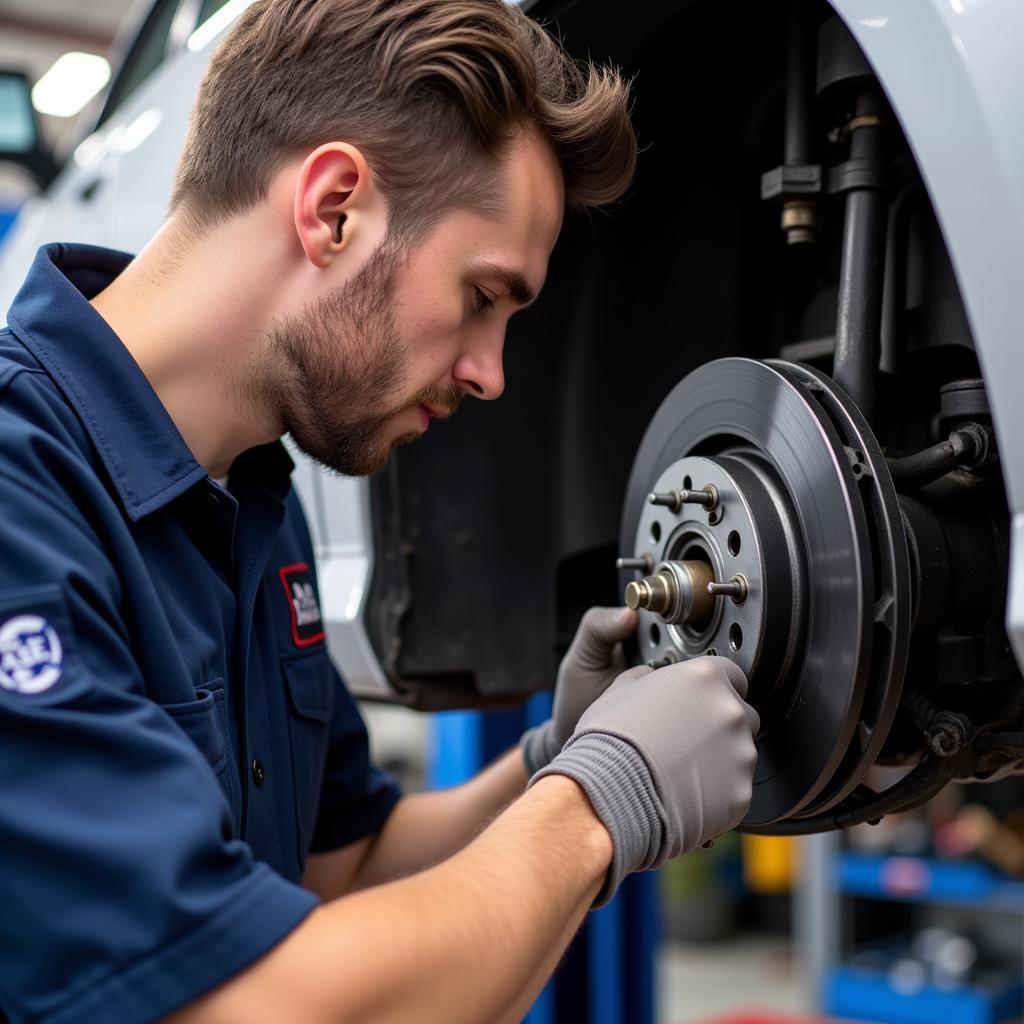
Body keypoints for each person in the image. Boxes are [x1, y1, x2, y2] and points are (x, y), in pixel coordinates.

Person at [0, 1, 759, 1021]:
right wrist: (602, 803)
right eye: (482, 296)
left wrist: (549, 764)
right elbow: (245, 1004)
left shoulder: (255, 502)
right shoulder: (20, 499)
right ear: (334, 208)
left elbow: (342, 870)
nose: (491, 374)